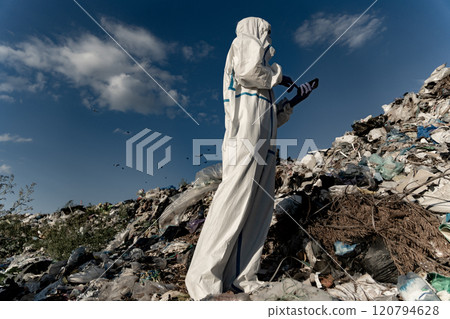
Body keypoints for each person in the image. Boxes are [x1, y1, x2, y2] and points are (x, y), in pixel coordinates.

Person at [185, 16, 315, 300]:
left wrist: (292, 101)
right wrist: (280, 76)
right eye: (266, 32)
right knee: (232, 205)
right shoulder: (244, 44)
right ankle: (203, 284)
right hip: (243, 141)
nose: (269, 39)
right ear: (257, 30)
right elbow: (247, 72)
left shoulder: (264, 80)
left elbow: (268, 117)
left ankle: (241, 279)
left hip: (263, 146)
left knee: (257, 212)